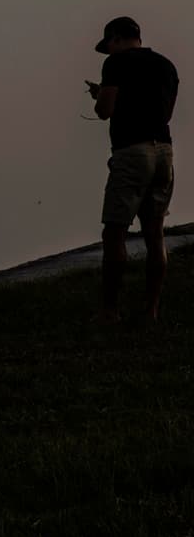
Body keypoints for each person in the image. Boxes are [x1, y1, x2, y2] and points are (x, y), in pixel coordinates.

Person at [85, 16, 179, 323]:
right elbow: (164, 112)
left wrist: (100, 95)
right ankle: (151, 309)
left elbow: (105, 111)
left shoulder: (115, 64)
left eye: (108, 45)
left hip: (132, 152)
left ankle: (110, 311)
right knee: (155, 234)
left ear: (115, 38)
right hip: (164, 151)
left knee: (115, 233)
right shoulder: (166, 66)